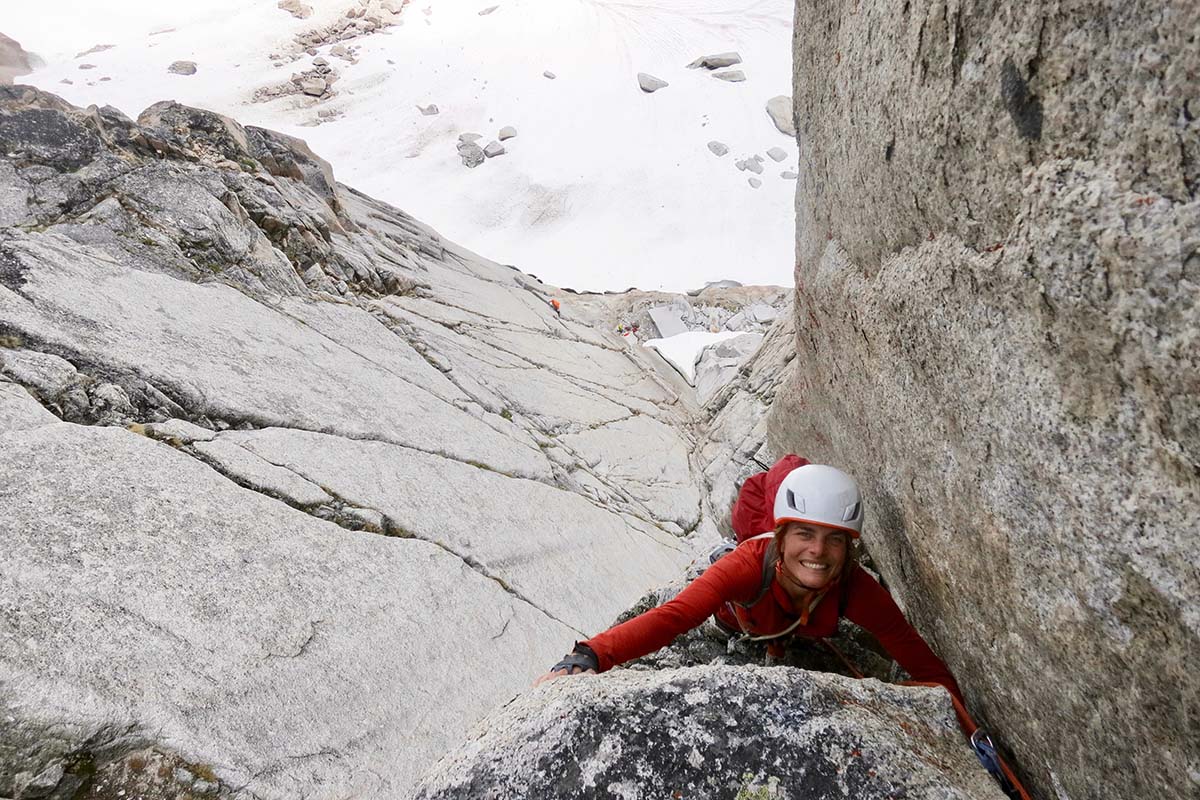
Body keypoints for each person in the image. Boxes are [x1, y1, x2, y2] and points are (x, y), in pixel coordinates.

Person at [535, 463, 965, 717]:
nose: (818, 550)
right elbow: (677, 616)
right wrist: (591, 654)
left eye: (834, 539)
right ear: (780, 536)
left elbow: (926, 667)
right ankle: (721, 550)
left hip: (790, 631)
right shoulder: (747, 566)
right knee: (723, 580)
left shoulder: (856, 587)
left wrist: (942, 712)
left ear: (849, 547)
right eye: (804, 534)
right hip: (737, 622)